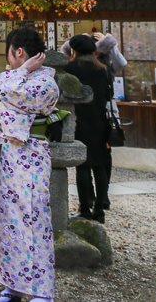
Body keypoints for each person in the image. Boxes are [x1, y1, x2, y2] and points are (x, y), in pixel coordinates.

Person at [0, 27, 58, 302]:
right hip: (13, 157)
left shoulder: (45, 83)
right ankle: (12, 285)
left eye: (11, 54)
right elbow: (10, 100)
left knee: (33, 220)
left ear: (20, 53)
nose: (9, 60)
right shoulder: (23, 81)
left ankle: (42, 291)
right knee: (9, 221)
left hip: (31, 157)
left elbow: (3, 86)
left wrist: (23, 69)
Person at [65, 34, 112, 223]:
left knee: (82, 167)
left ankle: (85, 208)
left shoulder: (69, 69)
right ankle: (100, 210)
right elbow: (109, 96)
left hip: (79, 122)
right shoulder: (103, 70)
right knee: (99, 165)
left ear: (74, 50)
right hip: (100, 122)